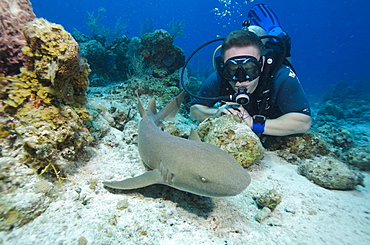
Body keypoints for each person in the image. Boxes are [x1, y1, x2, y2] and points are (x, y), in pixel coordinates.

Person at [190, 4, 311, 137]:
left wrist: (254, 124)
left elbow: (303, 122)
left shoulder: (281, 75)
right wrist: (216, 113)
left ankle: (275, 34)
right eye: (232, 69)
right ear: (223, 66)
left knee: (281, 47)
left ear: (262, 64)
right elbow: (194, 110)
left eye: (249, 68)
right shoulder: (219, 77)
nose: (241, 79)